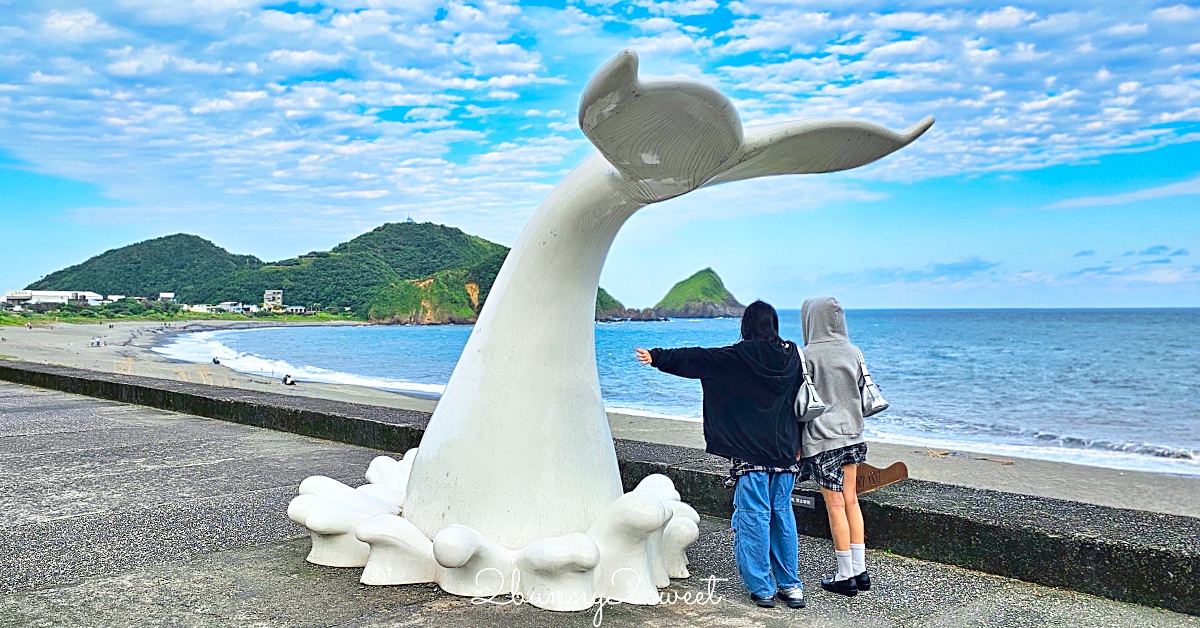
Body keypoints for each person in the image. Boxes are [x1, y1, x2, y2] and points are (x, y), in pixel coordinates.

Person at [636, 300, 806, 609]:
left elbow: (700, 358)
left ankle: (762, 588)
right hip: (784, 453)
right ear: (774, 324)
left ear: (747, 325)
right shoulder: (792, 354)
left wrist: (658, 357)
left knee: (753, 519)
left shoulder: (739, 355)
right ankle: (791, 587)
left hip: (751, 454)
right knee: (782, 517)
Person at [798, 297, 873, 597]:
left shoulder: (808, 355)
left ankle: (845, 575)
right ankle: (860, 570)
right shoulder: (853, 351)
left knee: (835, 504)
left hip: (824, 438)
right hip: (854, 435)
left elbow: (803, 402)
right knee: (852, 501)